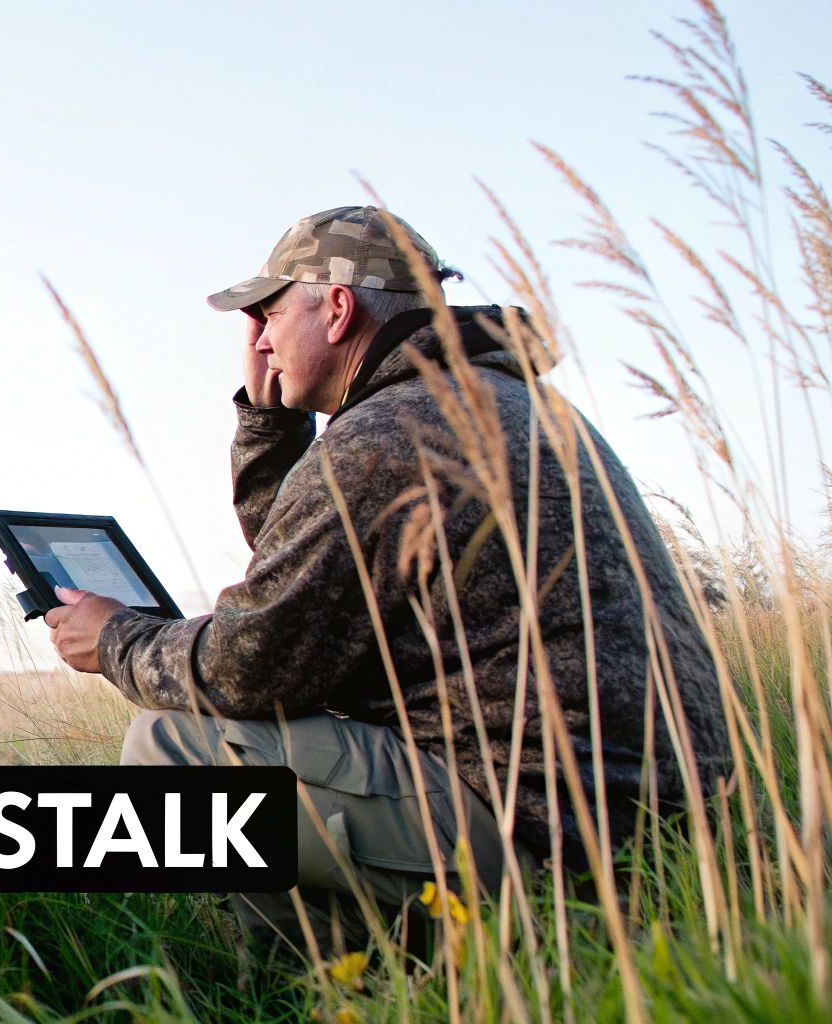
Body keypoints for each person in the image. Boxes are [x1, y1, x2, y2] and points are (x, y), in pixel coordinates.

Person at [42, 205, 731, 952]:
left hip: (554, 845)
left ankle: (314, 987)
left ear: (337, 309)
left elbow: (247, 668)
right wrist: (271, 428)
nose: (261, 340)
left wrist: (114, 637)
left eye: (269, 314)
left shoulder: (391, 433)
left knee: (174, 746)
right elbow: (321, 586)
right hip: (649, 831)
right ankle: (392, 980)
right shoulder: (503, 402)